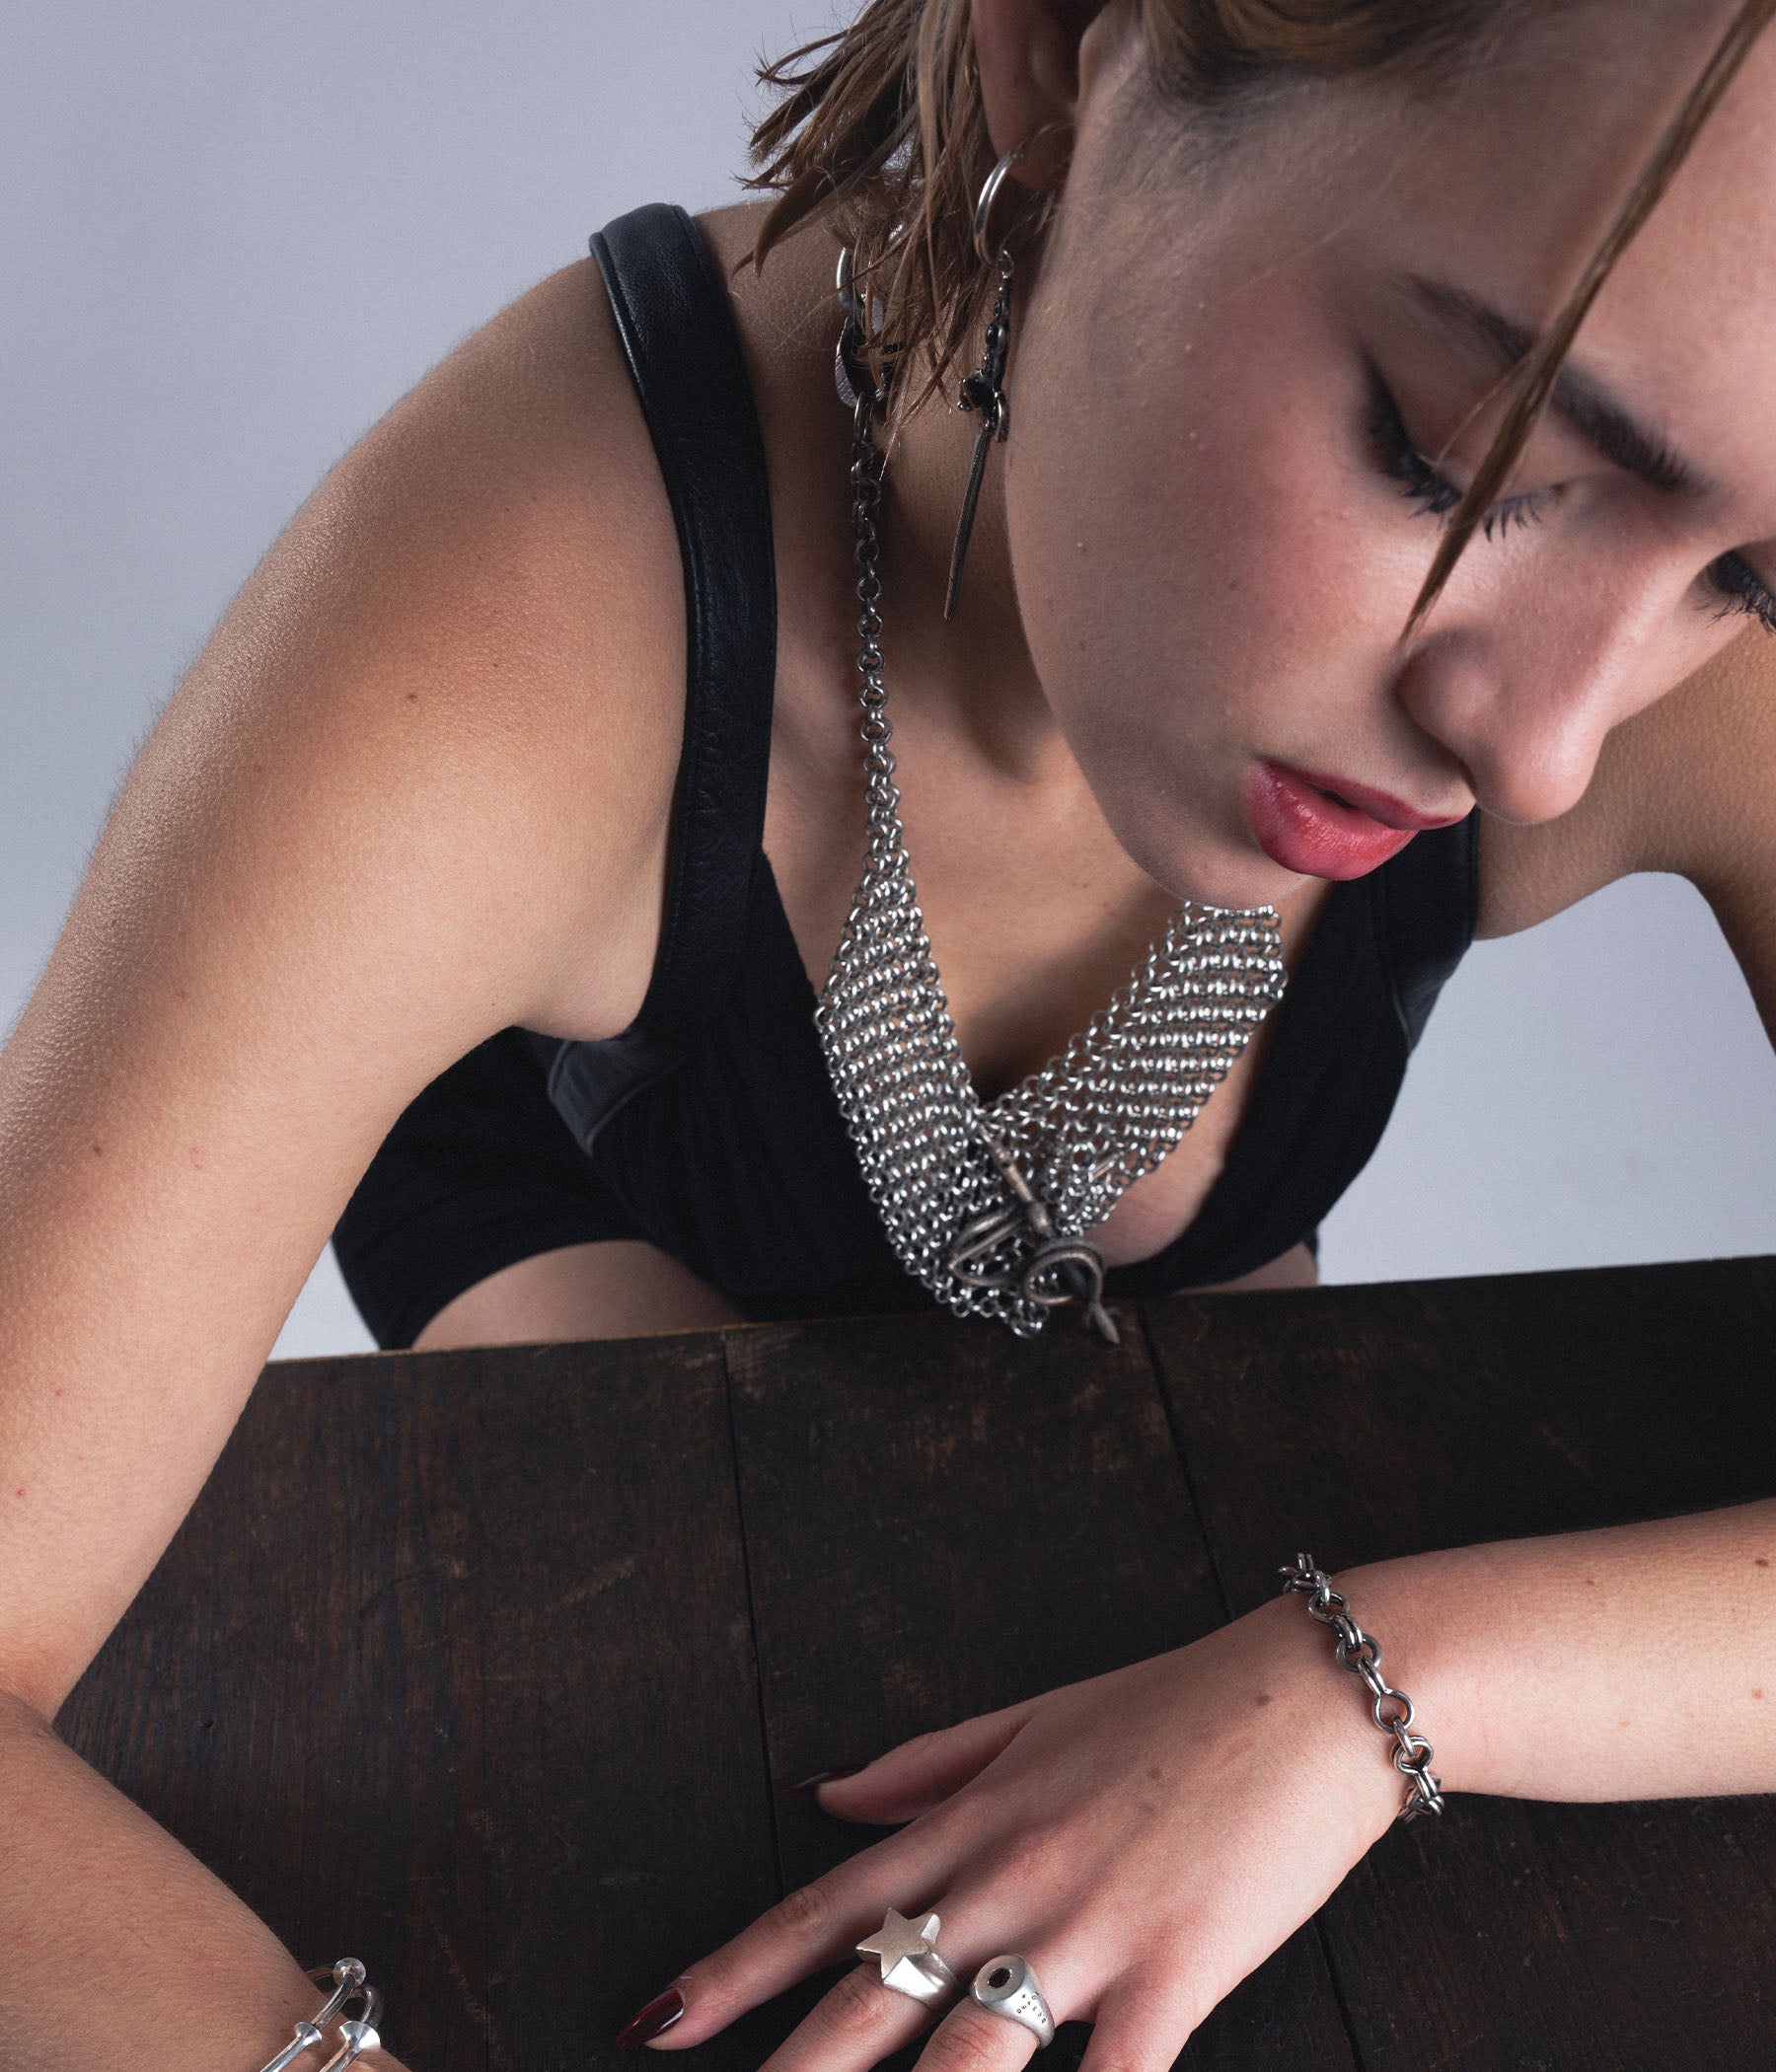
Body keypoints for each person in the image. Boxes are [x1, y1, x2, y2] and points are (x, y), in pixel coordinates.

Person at [1, 0, 1773, 2062]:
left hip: (1156, 1320)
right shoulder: (514, 606)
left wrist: (1379, 1692)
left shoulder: (1674, 608)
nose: (1552, 749)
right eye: (1457, 462)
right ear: (1063, 57)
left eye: (1753, 570)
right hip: (602, 1233)